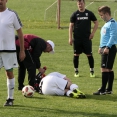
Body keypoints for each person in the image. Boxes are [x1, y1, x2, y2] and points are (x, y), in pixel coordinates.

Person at [0, 0, 25, 106]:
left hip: (8, 50)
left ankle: (10, 98)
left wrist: (22, 50)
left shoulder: (12, 14)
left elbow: (20, 33)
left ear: (6, 0)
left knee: (9, 73)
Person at [69, 0, 98, 78]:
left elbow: (96, 22)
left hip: (86, 38)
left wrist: (93, 33)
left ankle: (92, 71)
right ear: (77, 4)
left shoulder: (89, 13)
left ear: (84, 4)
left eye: (81, 3)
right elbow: (71, 26)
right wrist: (70, 38)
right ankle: (76, 71)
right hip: (77, 39)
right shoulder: (75, 14)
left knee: (89, 54)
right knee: (76, 54)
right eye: (78, 4)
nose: (80, 5)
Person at [93, 6, 117, 95]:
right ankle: (109, 89)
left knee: (104, 69)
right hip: (105, 47)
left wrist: (107, 47)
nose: (101, 17)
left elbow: (113, 36)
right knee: (109, 69)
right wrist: (100, 46)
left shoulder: (112, 23)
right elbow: (104, 37)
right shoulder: (107, 23)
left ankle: (102, 90)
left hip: (109, 48)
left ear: (107, 14)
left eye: (101, 15)